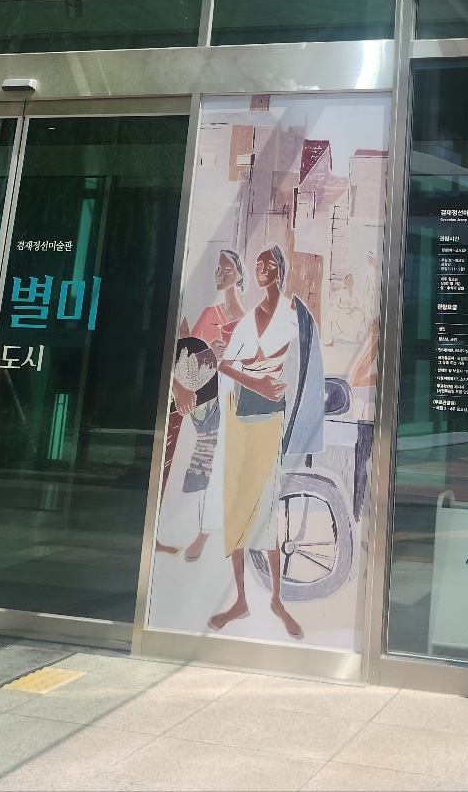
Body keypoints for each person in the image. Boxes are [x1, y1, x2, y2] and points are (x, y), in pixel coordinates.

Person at [208, 245, 324, 640]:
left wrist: (275, 389)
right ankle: (241, 600)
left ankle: (276, 599)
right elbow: (225, 364)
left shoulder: (295, 316)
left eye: (268, 263)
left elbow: (302, 371)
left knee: (267, 510)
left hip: (271, 422)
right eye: (257, 263)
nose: (261, 268)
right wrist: (256, 381)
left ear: (280, 270)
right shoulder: (249, 319)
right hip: (240, 418)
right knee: (237, 508)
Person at [155, 249, 245, 557]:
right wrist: (210, 357)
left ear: (240, 275)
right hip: (197, 402)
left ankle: (206, 531)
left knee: (215, 465)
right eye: (217, 269)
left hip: (228, 400)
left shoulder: (246, 320)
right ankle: (170, 531)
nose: (219, 275)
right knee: (179, 462)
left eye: (226, 270)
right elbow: (187, 360)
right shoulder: (206, 313)